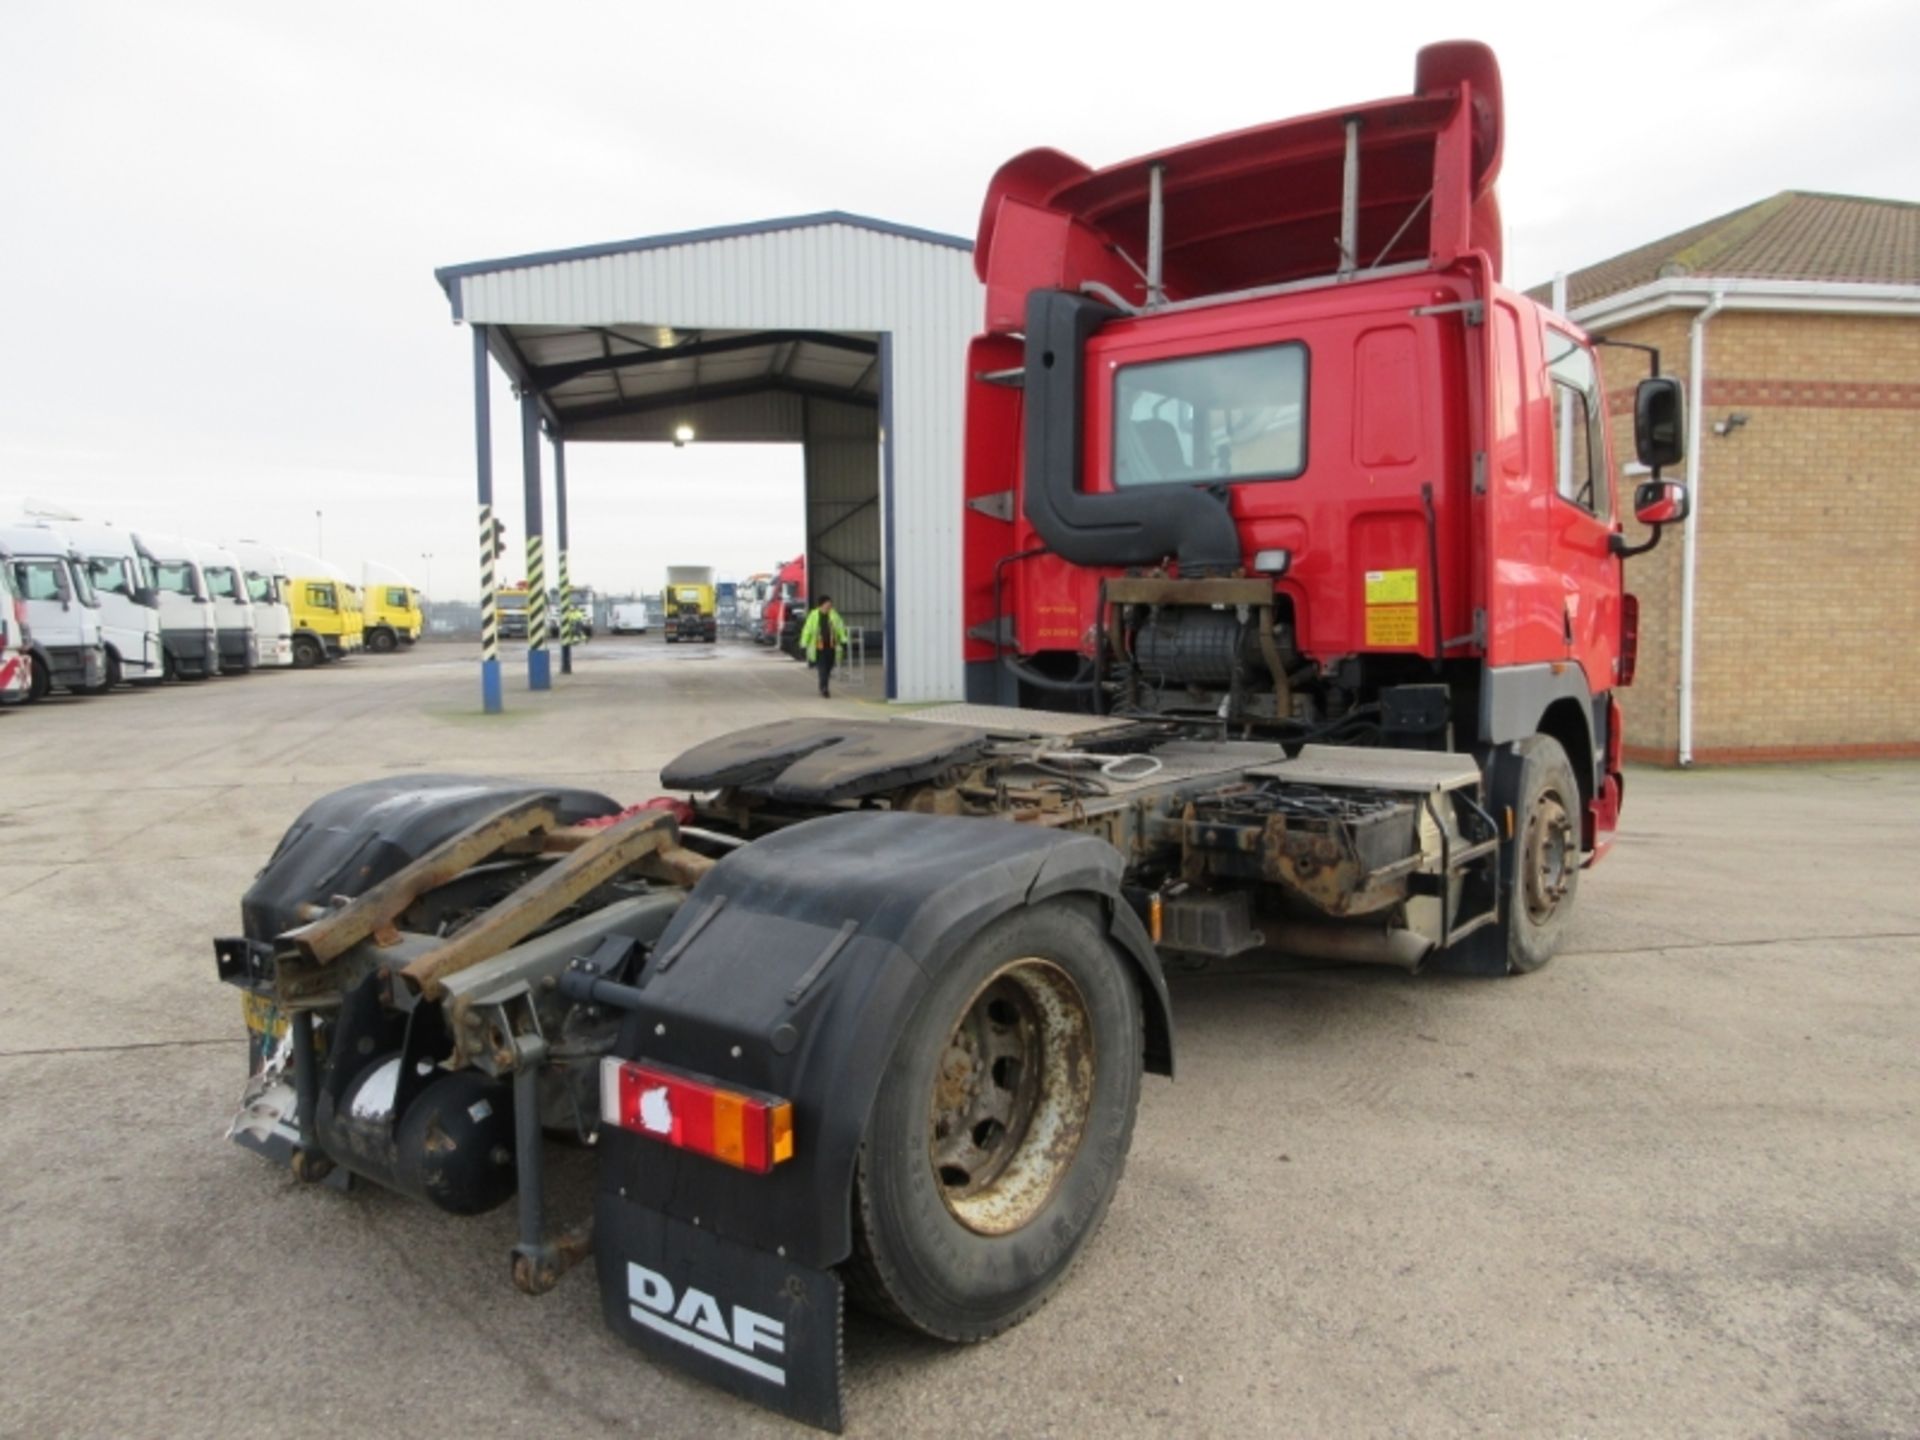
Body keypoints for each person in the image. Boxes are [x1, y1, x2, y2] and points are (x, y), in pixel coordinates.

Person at [799, 595, 849, 698]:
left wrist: (844, 640)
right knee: (822, 668)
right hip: (819, 647)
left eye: (830, 603)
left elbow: (840, 628)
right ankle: (824, 688)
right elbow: (807, 629)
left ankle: (823, 685)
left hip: (831, 646)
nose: (829, 605)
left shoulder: (834, 615)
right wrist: (804, 642)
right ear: (822, 605)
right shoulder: (814, 615)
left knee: (829, 667)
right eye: (827, 603)